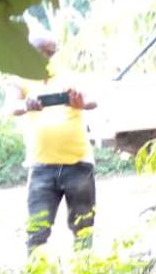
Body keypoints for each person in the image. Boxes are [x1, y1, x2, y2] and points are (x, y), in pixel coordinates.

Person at [11, 34, 98, 253]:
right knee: (37, 231)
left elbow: (92, 99)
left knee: (83, 228)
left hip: (78, 164)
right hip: (41, 167)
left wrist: (81, 102)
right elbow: (11, 106)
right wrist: (26, 104)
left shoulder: (68, 74)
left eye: (51, 52)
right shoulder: (20, 78)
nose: (48, 57)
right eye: (43, 52)